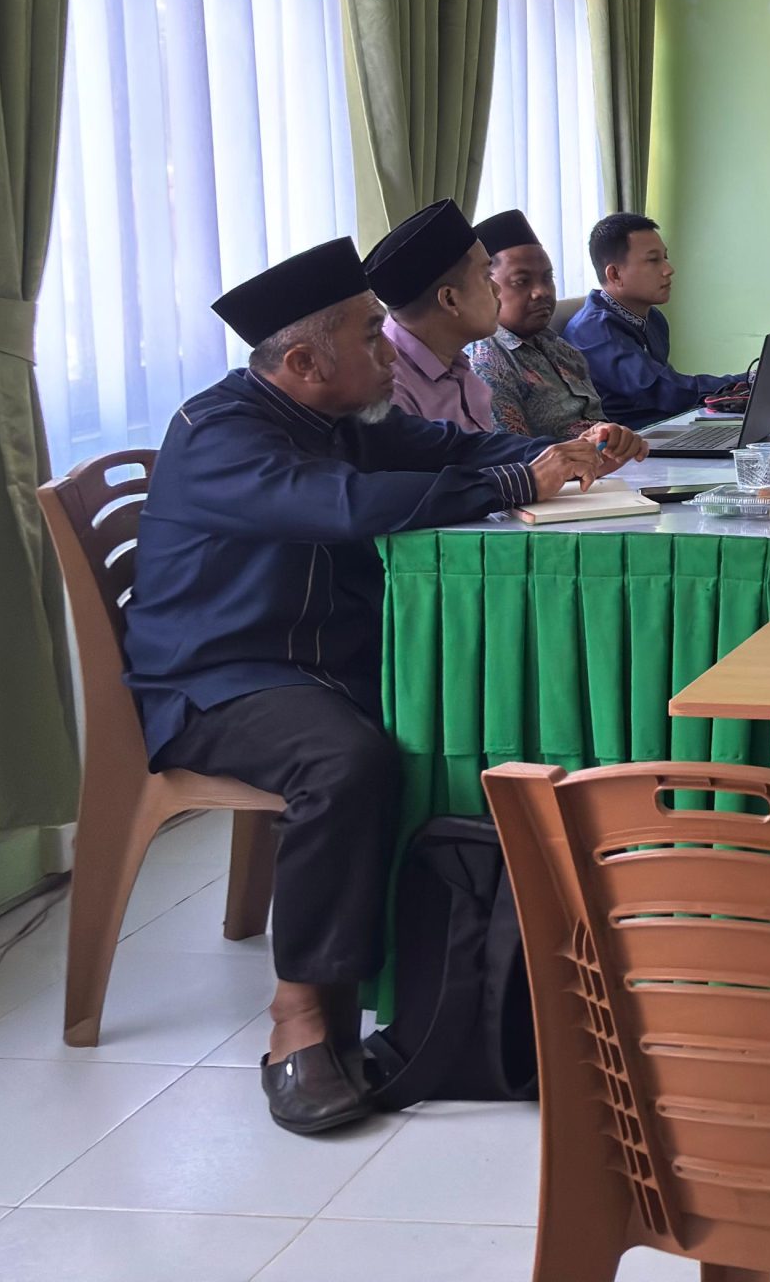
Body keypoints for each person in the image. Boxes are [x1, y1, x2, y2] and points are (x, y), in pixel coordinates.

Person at [123, 240, 619, 1134]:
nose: (392, 348)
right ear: (305, 362)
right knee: (344, 761)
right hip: (221, 679)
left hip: (331, 657)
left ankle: (492, 976)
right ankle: (301, 1013)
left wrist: (566, 448)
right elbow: (342, 507)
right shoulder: (221, 434)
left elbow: (450, 448)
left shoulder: (348, 415)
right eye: (370, 336)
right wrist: (518, 479)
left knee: (481, 702)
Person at [565, 211, 770, 427]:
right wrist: (762, 375)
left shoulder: (653, 318)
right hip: (631, 453)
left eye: (666, 257)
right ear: (614, 275)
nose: (668, 270)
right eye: (653, 260)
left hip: (667, 430)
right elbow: (667, 390)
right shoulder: (595, 332)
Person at [467, 208, 613, 441]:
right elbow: (514, 455)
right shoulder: (486, 361)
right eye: (521, 281)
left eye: (547, 278)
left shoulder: (560, 348)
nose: (541, 292)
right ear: (487, 286)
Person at [365, 199, 507, 435]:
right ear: (450, 299)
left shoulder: (455, 361)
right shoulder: (389, 389)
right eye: (486, 275)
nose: (496, 289)